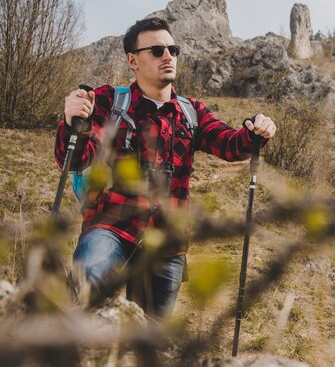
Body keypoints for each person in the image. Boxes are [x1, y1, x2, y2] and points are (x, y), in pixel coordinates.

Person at [54, 17, 276, 317]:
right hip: (111, 229)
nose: (168, 55)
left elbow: (231, 145)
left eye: (173, 49)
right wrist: (72, 122)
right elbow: (76, 158)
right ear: (133, 60)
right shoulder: (109, 101)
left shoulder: (191, 112)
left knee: (151, 341)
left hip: (167, 245)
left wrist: (256, 131)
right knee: (82, 300)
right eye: (157, 50)